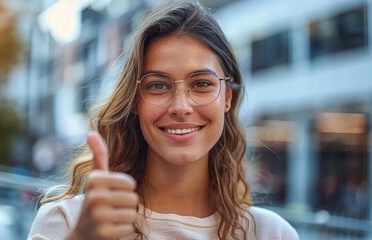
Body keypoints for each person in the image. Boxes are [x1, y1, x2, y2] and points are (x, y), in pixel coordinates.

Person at [28, 1, 299, 239]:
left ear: (227, 96)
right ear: (135, 101)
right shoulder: (66, 221)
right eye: (158, 86)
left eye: (201, 83)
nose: (181, 107)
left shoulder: (273, 234)